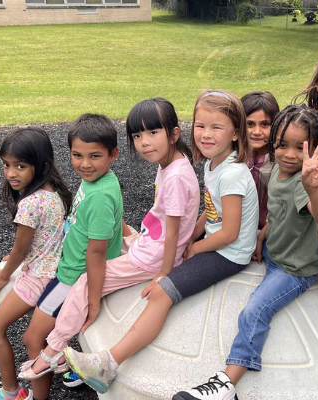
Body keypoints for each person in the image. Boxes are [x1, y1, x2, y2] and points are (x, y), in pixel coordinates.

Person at [61, 90, 259, 394]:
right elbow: (212, 209)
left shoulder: (232, 174)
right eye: (201, 126)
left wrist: (194, 249)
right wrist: (193, 234)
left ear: (236, 133)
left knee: (162, 293)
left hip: (229, 254)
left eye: (216, 128)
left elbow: (230, 234)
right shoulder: (213, 163)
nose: (206, 135)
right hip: (214, 241)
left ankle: (109, 363)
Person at [18, 99, 200, 388]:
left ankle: (54, 351)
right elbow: (172, 221)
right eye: (137, 136)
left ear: (174, 134)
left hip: (153, 258)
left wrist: (165, 274)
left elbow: (174, 233)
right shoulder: (172, 163)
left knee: (85, 283)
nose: (144, 143)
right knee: (122, 240)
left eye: (153, 133)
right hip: (149, 243)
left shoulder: (175, 176)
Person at [173, 105, 318, 400]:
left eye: (301, 148)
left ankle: (226, 383)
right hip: (273, 253)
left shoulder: (303, 183)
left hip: (294, 270)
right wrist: (262, 237)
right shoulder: (277, 174)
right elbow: (277, 213)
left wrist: (313, 189)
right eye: (282, 144)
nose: (289, 154)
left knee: (255, 310)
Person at [18, 114, 124, 400]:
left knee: (32, 338)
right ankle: (72, 362)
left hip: (73, 276)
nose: (85, 164)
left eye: (94, 156)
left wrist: (92, 300)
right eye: (77, 155)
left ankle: (40, 393)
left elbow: (97, 252)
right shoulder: (102, 181)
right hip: (71, 266)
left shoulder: (100, 195)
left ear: (113, 154)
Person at [0, 127, 72, 400]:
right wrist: (21, 257)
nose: (11, 173)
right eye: (6, 165)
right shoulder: (55, 192)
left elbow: (21, 249)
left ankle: (11, 392)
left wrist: (4, 275)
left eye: (20, 166)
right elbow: (51, 236)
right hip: (53, 272)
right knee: (39, 343)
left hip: (37, 277)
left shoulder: (31, 204)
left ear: (41, 165)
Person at [242, 91, 280, 232]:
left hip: (270, 229)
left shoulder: (279, 160)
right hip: (238, 227)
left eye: (265, 124)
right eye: (250, 124)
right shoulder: (236, 155)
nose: (257, 131)